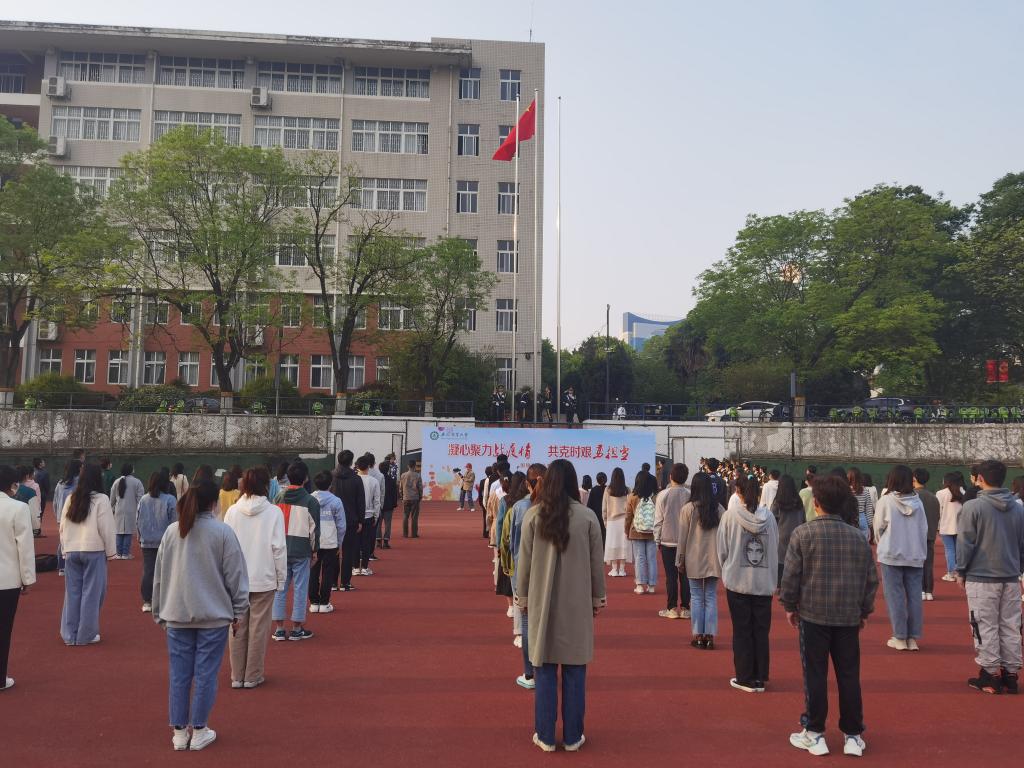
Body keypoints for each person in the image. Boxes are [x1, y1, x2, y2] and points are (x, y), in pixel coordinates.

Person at [782, 475, 878, 757]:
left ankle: (814, 732)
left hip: (813, 615)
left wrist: (790, 605)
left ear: (816, 502)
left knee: (815, 674)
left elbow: (791, 576)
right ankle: (853, 734)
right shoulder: (858, 538)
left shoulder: (803, 534)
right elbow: (871, 580)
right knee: (849, 675)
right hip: (847, 616)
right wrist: (864, 610)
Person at [151, 479, 248, 751]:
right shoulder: (222, 532)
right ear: (214, 503)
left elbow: (160, 575)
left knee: (179, 674)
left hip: (177, 613)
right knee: (206, 674)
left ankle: (179, 732)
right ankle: (200, 728)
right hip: (213, 615)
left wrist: (159, 612)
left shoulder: (173, 532)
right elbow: (235, 575)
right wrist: (239, 610)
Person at [516, 459, 606, 752]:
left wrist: (522, 600)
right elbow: (596, 565)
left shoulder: (533, 515)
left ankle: (544, 736)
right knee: (574, 670)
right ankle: (572, 736)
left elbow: (523, 565)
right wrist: (597, 599)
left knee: (543, 669)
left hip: (541, 604)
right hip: (577, 605)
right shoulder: (588, 517)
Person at [956, 460, 1024, 695]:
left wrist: (961, 570)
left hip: (981, 576)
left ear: (980, 479)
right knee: (1011, 626)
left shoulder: (973, 507)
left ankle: (990, 673)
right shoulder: (1019, 508)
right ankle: (1011, 673)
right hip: (1010, 576)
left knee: (984, 625)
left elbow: (965, 542)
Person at [223, 467, 286, 688]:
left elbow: (225, 548)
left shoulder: (232, 512)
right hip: (263, 577)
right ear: (266, 485)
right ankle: (253, 675)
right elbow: (279, 549)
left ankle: (237, 675)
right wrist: (281, 579)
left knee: (236, 626)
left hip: (236, 578)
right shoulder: (274, 512)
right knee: (259, 629)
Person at [719, 474, 778, 693]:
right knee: (761, 631)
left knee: (742, 630)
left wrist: (727, 569)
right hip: (763, 583)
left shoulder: (730, 516)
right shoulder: (769, 518)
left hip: (738, 582)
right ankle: (760, 677)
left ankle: (744, 677)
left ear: (738, 491)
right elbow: (774, 546)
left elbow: (722, 549)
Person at [60, 463, 116, 646]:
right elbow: (106, 528)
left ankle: (70, 634)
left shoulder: (71, 498)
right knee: (92, 594)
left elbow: (63, 526)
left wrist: (65, 549)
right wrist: (111, 552)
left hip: (72, 550)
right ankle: (86, 634)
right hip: (94, 550)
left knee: (72, 593)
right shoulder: (101, 499)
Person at [874, 465, 928, 652]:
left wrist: (882, 543)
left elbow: (878, 527)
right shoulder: (918, 502)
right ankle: (912, 638)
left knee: (894, 596)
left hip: (891, 554)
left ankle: (899, 636)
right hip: (915, 554)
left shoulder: (886, 500)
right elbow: (924, 528)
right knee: (914, 597)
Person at [272, 461, 319, 641]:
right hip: (302, 549)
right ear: (306, 478)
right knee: (300, 588)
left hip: (281, 549)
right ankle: (297, 628)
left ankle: (279, 629)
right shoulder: (311, 501)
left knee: (280, 588)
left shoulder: (278, 498)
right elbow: (314, 530)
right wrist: (315, 550)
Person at [508, 463, 545, 689]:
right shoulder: (555, 506)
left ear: (526, 483)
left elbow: (513, 544)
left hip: (524, 572)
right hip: (547, 574)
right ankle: (546, 670)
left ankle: (529, 674)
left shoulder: (520, 507)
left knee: (527, 623)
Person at [677, 472, 724, 649]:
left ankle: (698, 635)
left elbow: (682, 538)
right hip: (714, 558)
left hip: (693, 558)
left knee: (696, 597)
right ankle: (710, 635)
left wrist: (680, 560)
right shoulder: (719, 509)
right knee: (710, 596)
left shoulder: (688, 509)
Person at [0, 465, 36, 691]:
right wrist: (27, 579)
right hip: (7, 579)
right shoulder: (18, 508)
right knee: (3, 629)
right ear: (13, 484)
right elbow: (24, 546)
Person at [654, 463, 691, 619]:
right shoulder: (690, 494)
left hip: (667, 541)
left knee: (671, 576)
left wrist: (657, 540)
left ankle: (671, 608)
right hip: (686, 542)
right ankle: (685, 608)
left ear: (670, 477)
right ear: (686, 477)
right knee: (685, 576)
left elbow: (658, 520)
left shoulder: (663, 495)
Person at [137, 472, 177, 613]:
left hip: (147, 540)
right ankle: (165, 600)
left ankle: (147, 601)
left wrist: (140, 537)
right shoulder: (170, 499)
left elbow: (138, 519)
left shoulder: (143, 499)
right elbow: (174, 522)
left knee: (149, 570)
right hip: (165, 541)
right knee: (167, 570)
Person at [309, 471, 345, 614]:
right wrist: (340, 543)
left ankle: (314, 602)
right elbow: (341, 525)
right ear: (330, 484)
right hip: (330, 541)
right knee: (328, 572)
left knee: (313, 571)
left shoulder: (309, 499)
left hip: (313, 541)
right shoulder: (336, 501)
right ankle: (324, 603)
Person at [332, 451, 365, 592]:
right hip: (351, 520)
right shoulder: (356, 479)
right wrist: (361, 520)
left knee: (333, 551)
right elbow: (360, 502)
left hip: (333, 520)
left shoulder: (331, 476)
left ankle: (333, 582)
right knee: (348, 552)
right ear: (351, 462)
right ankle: (345, 583)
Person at [625, 471, 659, 595]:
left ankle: (639, 585)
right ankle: (651, 586)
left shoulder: (632, 497)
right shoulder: (656, 497)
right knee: (651, 558)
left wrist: (626, 531)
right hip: (652, 532)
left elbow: (628, 516)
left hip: (636, 531)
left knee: (639, 558)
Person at [773, 475, 805, 587]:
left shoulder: (778, 502)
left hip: (781, 537)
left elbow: (772, 520)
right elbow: (803, 520)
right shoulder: (799, 502)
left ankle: (780, 585)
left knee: (781, 563)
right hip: (797, 535)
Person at [913, 469, 940, 601]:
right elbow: (936, 516)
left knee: (916, 564)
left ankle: (920, 589)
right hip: (930, 534)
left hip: (916, 535)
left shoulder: (913, 496)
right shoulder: (933, 497)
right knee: (928, 563)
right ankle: (928, 590)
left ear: (914, 479)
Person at [52, 459, 82, 575]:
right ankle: (73, 565)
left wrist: (58, 515)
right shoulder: (80, 482)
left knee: (63, 540)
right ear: (79, 469)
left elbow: (55, 501)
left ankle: (62, 566)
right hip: (76, 515)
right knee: (77, 540)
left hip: (62, 516)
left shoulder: (60, 483)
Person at [110, 463, 144, 560]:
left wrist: (111, 508)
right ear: (131, 470)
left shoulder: (116, 481)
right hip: (131, 510)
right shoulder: (137, 482)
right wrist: (140, 510)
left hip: (118, 510)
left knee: (119, 531)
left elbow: (112, 498)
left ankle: (118, 553)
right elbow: (140, 498)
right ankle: (125, 553)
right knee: (128, 532)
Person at [602, 468, 630, 577]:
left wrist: (605, 521)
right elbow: (630, 508)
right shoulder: (627, 490)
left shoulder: (607, 490)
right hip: (624, 521)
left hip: (611, 522)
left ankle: (614, 569)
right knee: (623, 545)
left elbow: (604, 508)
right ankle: (622, 569)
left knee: (612, 545)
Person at [355, 456, 381, 576]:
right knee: (366, 542)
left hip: (355, 516)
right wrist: (376, 515)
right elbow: (377, 501)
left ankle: (355, 567)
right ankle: (365, 567)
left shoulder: (353, 480)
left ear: (357, 466)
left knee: (355, 542)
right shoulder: (374, 481)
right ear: (369, 467)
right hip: (369, 515)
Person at [937, 472, 964, 582]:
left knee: (949, 550)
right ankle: (958, 572)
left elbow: (938, 510)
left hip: (945, 526)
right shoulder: (962, 491)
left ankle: (951, 573)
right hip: (960, 526)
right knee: (958, 550)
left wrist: (937, 525)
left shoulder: (941, 493)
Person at [377, 456, 399, 550]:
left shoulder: (376, 480)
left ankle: (378, 541)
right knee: (388, 524)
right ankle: (386, 541)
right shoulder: (391, 480)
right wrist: (394, 504)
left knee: (378, 523)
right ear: (388, 469)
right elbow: (395, 494)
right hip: (389, 505)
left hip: (379, 505)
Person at [847, 468, 874, 541]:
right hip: (862, 518)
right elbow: (869, 509)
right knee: (863, 543)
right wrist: (870, 525)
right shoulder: (865, 491)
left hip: (850, 518)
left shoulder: (846, 490)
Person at [14, 467, 41, 539]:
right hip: (24, 527)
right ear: (27, 476)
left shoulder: (7, 490)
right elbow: (34, 512)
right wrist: (36, 527)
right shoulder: (30, 492)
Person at [399, 459, 423, 540]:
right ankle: (414, 534)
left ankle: (405, 533)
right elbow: (420, 488)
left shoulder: (403, 475)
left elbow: (400, 488)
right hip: (415, 498)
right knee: (414, 517)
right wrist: (420, 496)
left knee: (405, 516)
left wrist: (402, 496)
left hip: (406, 498)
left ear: (408, 466)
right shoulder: (418, 475)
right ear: (415, 466)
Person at [586, 472, 607, 543]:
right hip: (606, 517)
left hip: (595, 517)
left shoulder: (593, 490)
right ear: (606, 479)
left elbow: (589, 505)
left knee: (596, 537)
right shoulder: (608, 490)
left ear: (597, 480)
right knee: (605, 537)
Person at [32, 458, 50, 529]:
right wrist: (46, 492)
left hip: (31, 495)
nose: (44, 463)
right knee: (40, 513)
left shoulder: (32, 471)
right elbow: (47, 485)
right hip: (41, 495)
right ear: (40, 464)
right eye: (43, 462)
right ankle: (37, 529)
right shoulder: (44, 473)